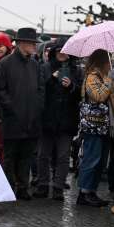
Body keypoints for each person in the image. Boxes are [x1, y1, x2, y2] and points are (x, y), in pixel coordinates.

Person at [0, 27, 44, 200]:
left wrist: (37, 108)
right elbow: (0, 90)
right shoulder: (5, 63)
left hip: (32, 119)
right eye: (32, 43)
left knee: (26, 156)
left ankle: (23, 187)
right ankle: (9, 187)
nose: (34, 46)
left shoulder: (35, 64)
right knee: (10, 157)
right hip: (12, 119)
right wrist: (11, 108)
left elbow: (41, 89)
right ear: (22, 44)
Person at [34, 38, 81, 201]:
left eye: (65, 50)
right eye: (59, 50)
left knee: (63, 156)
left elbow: (81, 94)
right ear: (54, 51)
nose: (62, 53)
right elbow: (39, 90)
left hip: (67, 119)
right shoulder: (45, 68)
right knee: (43, 154)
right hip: (47, 118)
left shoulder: (76, 71)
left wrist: (72, 87)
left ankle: (58, 187)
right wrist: (51, 80)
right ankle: (42, 185)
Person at [76, 49, 114, 207]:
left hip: (102, 126)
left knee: (100, 161)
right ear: (103, 62)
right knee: (91, 159)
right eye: (108, 61)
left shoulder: (102, 76)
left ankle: (91, 191)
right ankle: (84, 193)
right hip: (93, 126)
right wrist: (108, 81)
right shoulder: (92, 77)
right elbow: (98, 96)